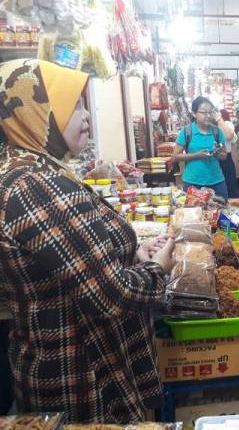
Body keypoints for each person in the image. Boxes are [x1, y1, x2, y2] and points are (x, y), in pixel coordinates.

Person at [0, 59, 175, 423]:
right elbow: (110, 295)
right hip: (84, 375)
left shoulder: (24, 171)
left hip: (62, 366)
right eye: (75, 105)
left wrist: (128, 254)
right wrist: (158, 269)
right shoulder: (39, 187)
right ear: (40, 112)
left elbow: (69, 265)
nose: (87, 117)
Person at [173, 97, 229, 199]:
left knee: (221, 211)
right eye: (203, 113)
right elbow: (176, 156)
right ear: (194, 113)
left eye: (210, 112)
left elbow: (224, 156)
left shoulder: (217, 132)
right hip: (193, 182)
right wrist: (197, 155)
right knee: (194, 212)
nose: (207, 116)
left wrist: (217, 153)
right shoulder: (187, 132)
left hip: (216, 181)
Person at [218, 109, 239, 198]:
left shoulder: (227, 124)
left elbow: (228, 136)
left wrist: (219, 120)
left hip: (226, 157)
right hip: (214, 158)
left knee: (230, 185)